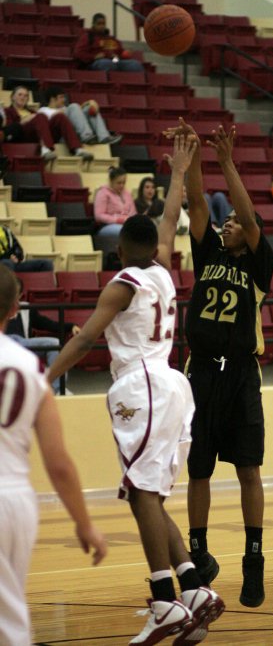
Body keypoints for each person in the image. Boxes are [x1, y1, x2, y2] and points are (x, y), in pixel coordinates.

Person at [48, 135, 225, 646]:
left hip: (141, 386)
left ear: (122, 247)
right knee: (147, 496)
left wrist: (43, 377)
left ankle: (163, 599)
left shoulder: (122, 279)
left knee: (141, 494)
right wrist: (179, 171)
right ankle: (192, 590)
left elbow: (84, 338)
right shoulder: (164, 270)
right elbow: (169, 219)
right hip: (172, 384)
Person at [164, 119, 273, 608]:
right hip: (202, 371)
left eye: (234, 222)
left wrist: (227, 161)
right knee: (199, 470)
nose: (228, 222)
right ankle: (200, 553)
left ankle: (254, 560)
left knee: (249, 469)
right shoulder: (208, 250)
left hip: (241, 373)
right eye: (225, 220)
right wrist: (190, 159)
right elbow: (196, 204)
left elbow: (250, 222)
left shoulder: (257, 262)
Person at [0, 263, 107, 646]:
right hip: (15, 502)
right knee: (9, 620)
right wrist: (84, 523)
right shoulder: (31, 368)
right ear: (15, 310)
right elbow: (58, 463)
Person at [6, 277, 80, 395]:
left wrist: (70, 326)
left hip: (23, 344)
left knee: (54, 343)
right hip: (3, 342)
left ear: (20, 295)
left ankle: (58, 389)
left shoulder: (26, 308)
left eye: (14, 293)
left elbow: (47, 324)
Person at [4, 86, 93, 162]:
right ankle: (46, 149)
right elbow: (7, 131)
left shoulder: (32, 111)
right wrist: (22, 122)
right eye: (20, 95)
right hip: (23, 136)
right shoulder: (7, 111)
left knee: (60, 116)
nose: (23, 97)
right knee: (41, 116)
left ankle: (77, 149)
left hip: (39, 134)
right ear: (13, 97)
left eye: (26, 95)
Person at [39, 86, 122, 146]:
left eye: (64, 97)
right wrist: (66, 111)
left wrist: (89, 102)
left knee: (90, 108)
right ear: (52, 99)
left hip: (76, 134)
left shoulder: (67, 108)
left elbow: (77, 113)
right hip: (61, 137)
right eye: (61, 97)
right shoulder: (43, 110)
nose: (64, 100)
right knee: (74, 106)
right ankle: (87, 136)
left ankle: (104, 137)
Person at [74, 13, 144, 72]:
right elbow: (78, 53)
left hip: (114, 60)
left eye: (103, 23)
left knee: (135, 65)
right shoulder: (88, 37)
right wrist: (94, 57)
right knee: (107, 64)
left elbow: (120, 51)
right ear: (93, 24)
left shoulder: (111, 38)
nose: (102, 26)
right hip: (96, 62)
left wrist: (123, 54)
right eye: (99, 24)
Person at [94, 166, 137, 238]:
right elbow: (99, 216)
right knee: (126, 231)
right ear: (111, 181)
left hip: (126, 224)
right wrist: (118, 220)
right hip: (107, 225)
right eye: (119, 183)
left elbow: (133, 212)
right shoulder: (103, 193)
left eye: (124, 183)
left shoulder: (127, 193)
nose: (122, 185)